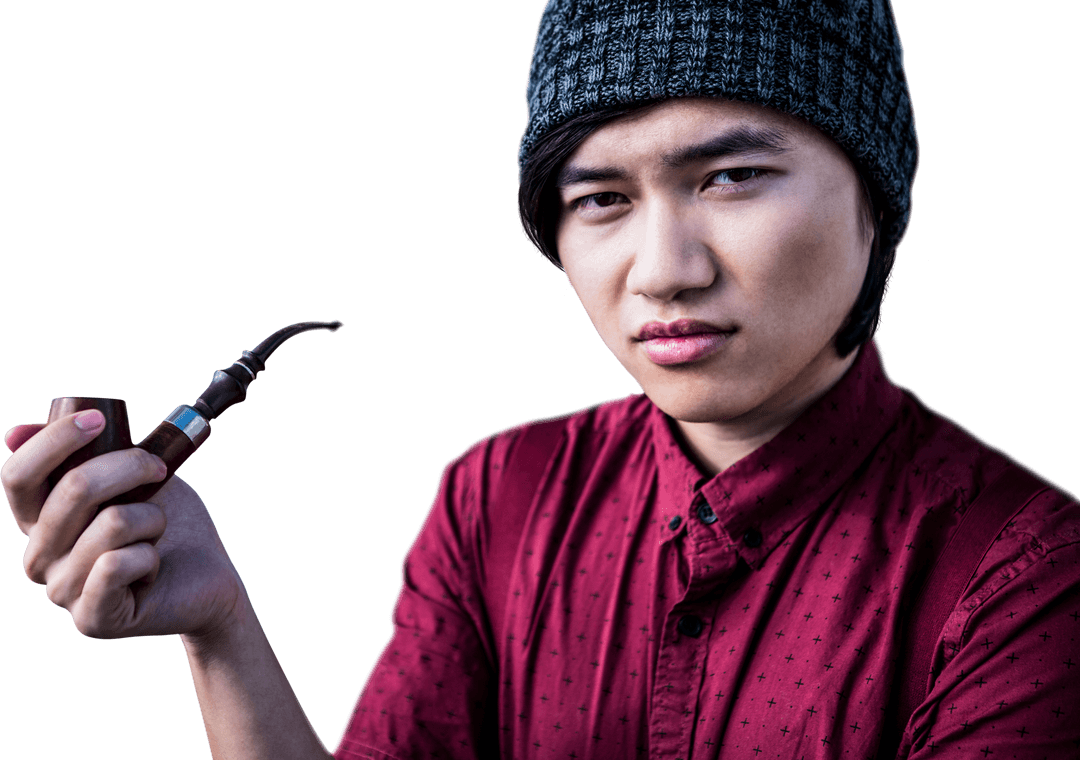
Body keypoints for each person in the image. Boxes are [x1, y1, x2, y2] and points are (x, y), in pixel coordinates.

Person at [4, 1, 1077, 758]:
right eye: (601, 198)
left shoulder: (1026, 575)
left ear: (875, 200)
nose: (665, 268)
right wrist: (220, 626)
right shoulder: (501, 495)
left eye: (733, 176)